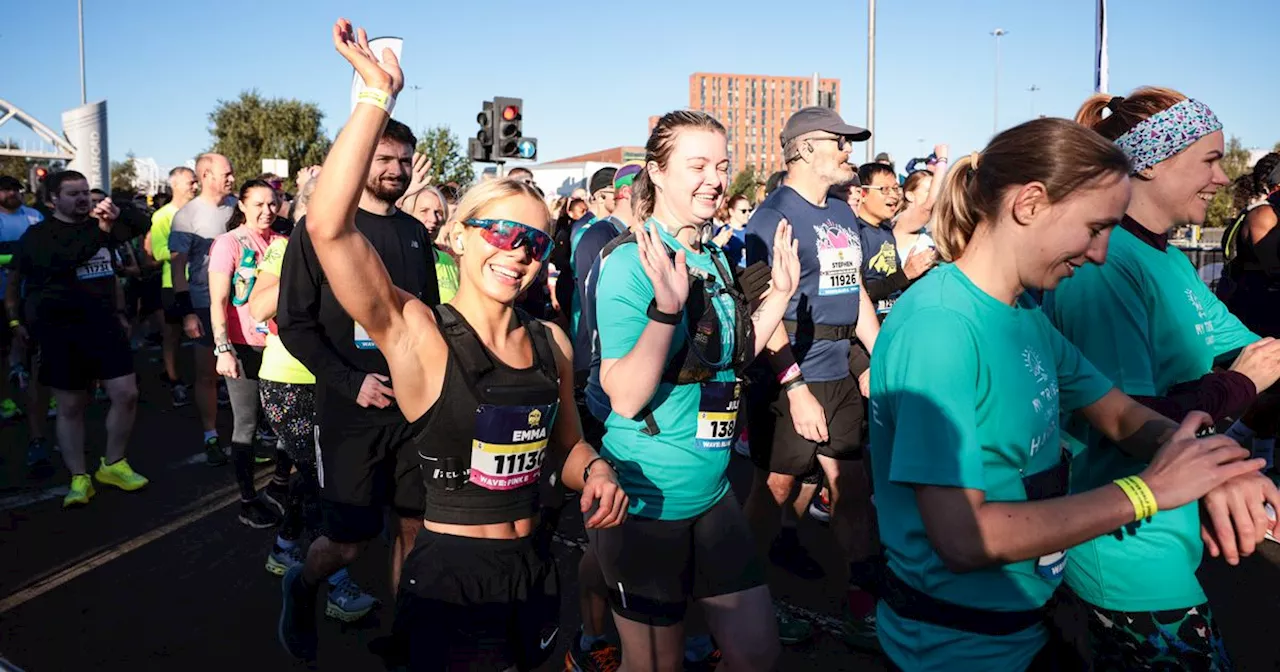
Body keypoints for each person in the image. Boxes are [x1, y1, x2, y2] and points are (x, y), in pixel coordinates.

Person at [279, 22, 628, 669]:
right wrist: (375, 96)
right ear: (461, 238)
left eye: (533, 241)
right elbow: (328, 229)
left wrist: (598, 470)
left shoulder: (551, 341)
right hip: (452, 580)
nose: (515, 251)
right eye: (498, 231)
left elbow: (568, 446)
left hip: (534, 570)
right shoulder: (423, 334)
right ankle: (303, 588)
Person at [869, 116, 1272, 671]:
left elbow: (1123, 416)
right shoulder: (940, 327)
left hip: (1024, 629)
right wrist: (1148, 492)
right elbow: (963, 536)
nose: (1101, 254)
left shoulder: (1024, 314)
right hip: (952, 649)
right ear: (1030, 204)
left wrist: (1214, 464)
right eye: (1095, 228)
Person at [1043, 89, 1280, 670]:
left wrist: (1246, 381)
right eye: (1209, 160)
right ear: (1149, 161)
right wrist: (1237, 391)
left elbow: (1259, 353)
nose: (1223, 178)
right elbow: (1129, 417)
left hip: (1170, 538)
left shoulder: (1168, 259)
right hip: (1121, 550)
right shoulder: (1104, 265)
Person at [586, 108, 800, 672]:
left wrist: (779, 294)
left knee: (757, 656)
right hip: (646, 497)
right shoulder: (632, 262)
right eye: (697, 165)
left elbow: (729, 363)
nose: (715, 179)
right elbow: (625, 397)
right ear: (656, 173)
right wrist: (665, 309)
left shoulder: (714, 256)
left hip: (712, 492)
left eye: (723, 165)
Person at [277, 111, 439, 622]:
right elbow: (294, 325)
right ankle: (301, 585)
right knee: (348, 543)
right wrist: (351, 382)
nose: (397, 169)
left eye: (405, 161)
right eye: (385, 158)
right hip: (350, 414)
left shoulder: (416, 233)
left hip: (413, 412)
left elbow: (426, 320)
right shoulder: (320, 231)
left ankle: (404, 632)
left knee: (414, 527)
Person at [742, 106, 881, 649]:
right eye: (839, 142)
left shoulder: (843, 213)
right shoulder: (770, 216)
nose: (850, 152)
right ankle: (747, 597)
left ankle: (864, 606)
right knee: (775, 491)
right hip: (788, 375)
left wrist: (880, 355)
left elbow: (856, 292)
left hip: (840, 369)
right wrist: (794, 387)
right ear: (804, 149)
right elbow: (762, 307)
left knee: (852, 490)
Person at [5, 171, 150, 508]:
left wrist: (119, 211)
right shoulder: (39, 236)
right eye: (74, 194)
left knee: (126, 394)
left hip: (105, 326)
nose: (84, 199)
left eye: (86, 192)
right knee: (71, 406)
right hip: (62, 329)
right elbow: (64, 261)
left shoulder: (100, 224)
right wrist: (16, 320)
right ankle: (79, 476)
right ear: (52, 200)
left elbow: (142, 224)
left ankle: (113, 464)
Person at [207, 179, 288, 528]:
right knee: (247, 425)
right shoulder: (229, 243)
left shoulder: (283, 241)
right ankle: (247, 499)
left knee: (286, 424)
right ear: (241, 205)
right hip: (242, 346)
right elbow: (218, 301)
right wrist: (223, 348)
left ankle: (280, 486)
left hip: (280, 347)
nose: (267, 211)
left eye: (272, 204)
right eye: (258, 204)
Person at [170, 153, 237, 466]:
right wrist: (187, 313)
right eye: (226, 173)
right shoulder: (187, 216)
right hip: (204, 302)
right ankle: (211, 434)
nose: (232, 178)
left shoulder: (239, 206)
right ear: (207, 175)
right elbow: (177, 268)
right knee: (206, 373)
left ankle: (247, 432)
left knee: (245, 369)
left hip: (242, 301)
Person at [0, 174, 54, 472]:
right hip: (8, 298)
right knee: (6, 350)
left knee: (35, 359)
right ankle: (8, 400)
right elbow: (20, 258)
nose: (12, 194)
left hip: (33, 300)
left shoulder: (34, 216)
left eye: (16, 189)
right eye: (6, 190)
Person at [859, 162, 939, 319]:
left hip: (892, 324)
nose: (894, 196)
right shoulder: (857, 232)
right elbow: (860, 293)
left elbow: (894, 284)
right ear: (863, 193)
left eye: (895, 189)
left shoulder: (886, 231)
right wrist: (906, 274)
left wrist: (917, 272)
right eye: (884, 189)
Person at [402, 185, 459, 301]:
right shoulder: (395, 257)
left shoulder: (448, 260)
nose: (433, 219)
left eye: (438, 212)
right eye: (424, 211)